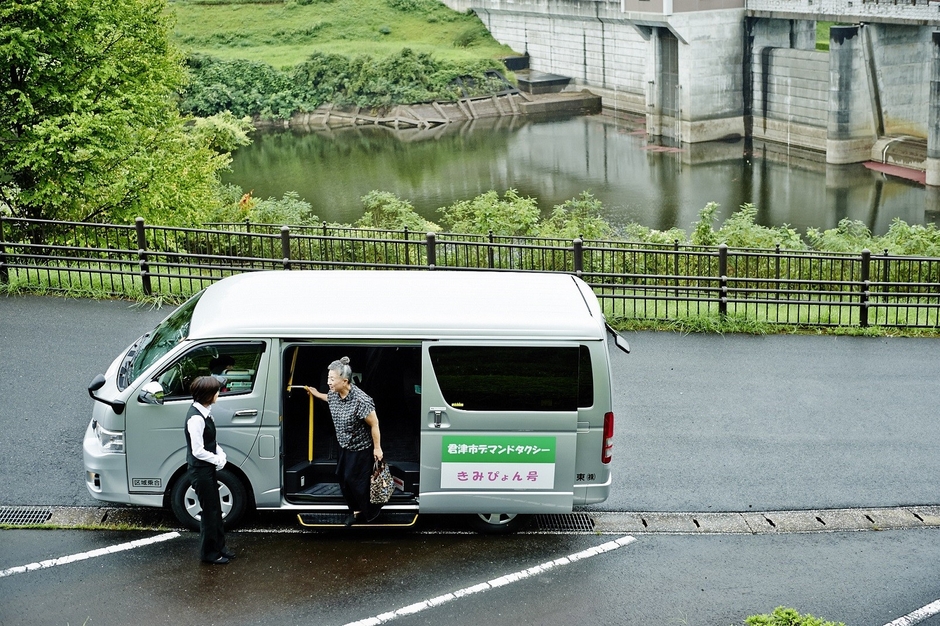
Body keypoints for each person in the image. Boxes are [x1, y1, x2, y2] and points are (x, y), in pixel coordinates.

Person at [305, 356, 384, 526]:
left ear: (345, 381)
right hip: (344, 445)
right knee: (342, 477)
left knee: (355, 480)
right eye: (328, 378)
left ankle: (369, 512)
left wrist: (377, 448)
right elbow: (328, 398)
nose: (329, 382)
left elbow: (374, 424)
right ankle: (355, 510)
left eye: (332, 379)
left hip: (360, 448)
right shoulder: (334, 394)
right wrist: (316, 394)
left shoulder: (361, 400)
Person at [185, 376, 235, 564]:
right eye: (216, 392)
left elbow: (211, 442)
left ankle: (220, 548)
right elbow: (197, 450)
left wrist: (220, 455)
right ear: (208, 395)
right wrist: (217, 460)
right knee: (209, 513)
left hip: (207, 468)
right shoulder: (196, 419)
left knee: (216, 509)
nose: (218, 395)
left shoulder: (205, 411)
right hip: (200, 470)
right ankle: (209, 554)